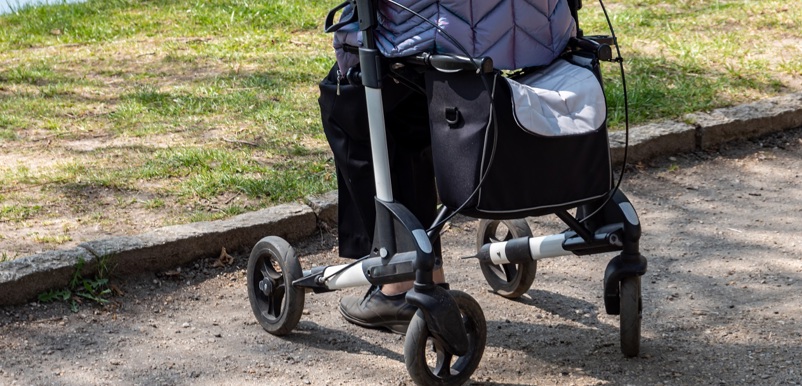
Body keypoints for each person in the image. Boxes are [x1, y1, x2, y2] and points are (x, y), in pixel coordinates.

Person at [318, 62, 445, 334]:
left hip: (397, 51)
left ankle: (395, 287)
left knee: (343, 104)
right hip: (452, 61)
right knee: (411, 118)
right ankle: (430, 276)